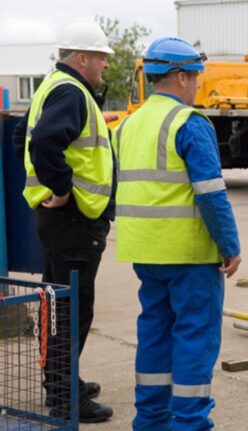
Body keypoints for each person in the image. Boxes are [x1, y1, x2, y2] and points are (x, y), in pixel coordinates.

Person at [113, 37, 241, 431]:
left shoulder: (129, 124)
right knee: (194, 338)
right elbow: (211, 195)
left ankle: (150, 421)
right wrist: (230, 245)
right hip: (189, 255)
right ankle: (189, 424)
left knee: (154, 334)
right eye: (197, 75)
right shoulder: (189, 123)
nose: (199, 84)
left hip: (145, 253)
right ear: (181, 76)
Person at [12, 20, 116, 422]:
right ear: (82, 58)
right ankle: (63, 396)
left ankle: (61, 381)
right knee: (72, 308)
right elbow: (40, 142)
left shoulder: (53, 87)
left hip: (61, 221)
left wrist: (49, 188)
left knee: (57, 304)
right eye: (102, 59)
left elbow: (23, 134)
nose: (105, 66)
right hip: (74, 220)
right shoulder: (72, 92)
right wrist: (61, 188)